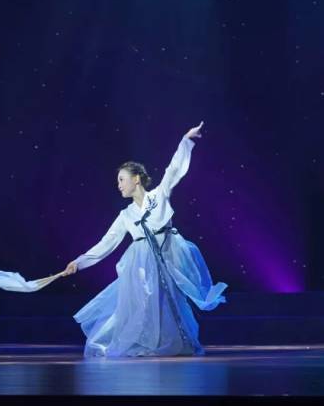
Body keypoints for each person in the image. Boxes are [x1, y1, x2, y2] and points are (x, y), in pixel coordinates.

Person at [61, 122, 227, 357]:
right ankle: (146, 342)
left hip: (167, 254)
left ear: (136, 179)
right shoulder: (126, 215)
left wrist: (186, 141)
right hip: (140, 263)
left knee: (170, 300)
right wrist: (79, 262)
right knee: (144, 303)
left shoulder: (159, 195)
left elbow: (174, 169)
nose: (118, 185)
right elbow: (106, 243)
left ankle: (176, 342)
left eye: (122, 179)